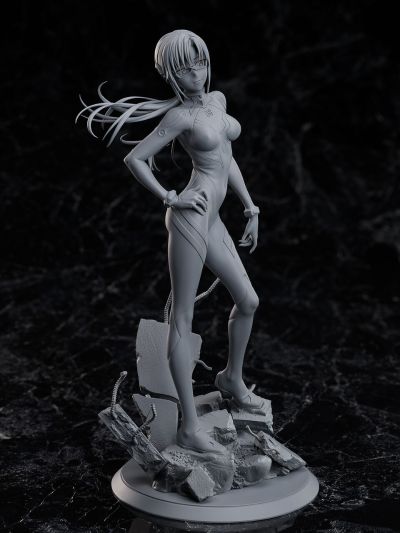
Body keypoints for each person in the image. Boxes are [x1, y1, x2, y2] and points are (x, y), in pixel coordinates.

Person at [77, 29, 268, 455]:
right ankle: (189, 427)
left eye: (199, 62)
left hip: (214, 218)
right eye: (183, 68)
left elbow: (226, 160)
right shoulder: (180, 118)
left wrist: (250, 207)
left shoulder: (217, 101)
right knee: (183, 317)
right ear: (169, 74)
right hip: (190, 218)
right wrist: (170, 196)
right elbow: (135, 158)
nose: (195, 73)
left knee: (249, 301)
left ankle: (231, 379)